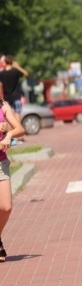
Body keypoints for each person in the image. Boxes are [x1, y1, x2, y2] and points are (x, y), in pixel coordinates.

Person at [0, 84, 26, 263]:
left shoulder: (3, 106)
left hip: (1, 162)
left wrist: (8, 134)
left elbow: (20, 129)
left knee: (6, 207)